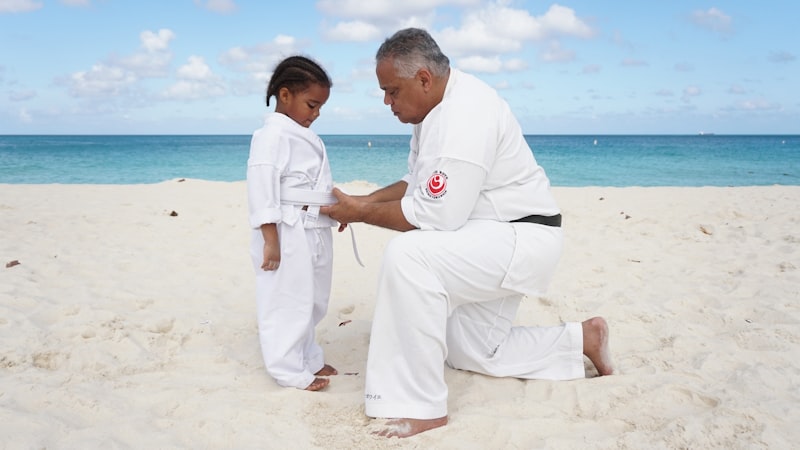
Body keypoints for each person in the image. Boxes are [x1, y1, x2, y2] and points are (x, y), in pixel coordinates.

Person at [320, 28, 613, 437]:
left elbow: (435, 215)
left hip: (520, 236)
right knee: (471, 351)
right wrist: (360, 202)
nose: (387, 102)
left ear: (424, 78)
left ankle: (421, 407)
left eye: (392, 91)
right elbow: (415, 183)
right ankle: (581, 339)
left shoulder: (466, 112)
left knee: (409, 255)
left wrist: (362, 214)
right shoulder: (434, 111)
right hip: (492, 237)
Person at [246, 55, 339, 392]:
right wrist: (270, 238)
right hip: (286, 228)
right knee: (287, 298)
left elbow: (312, 184)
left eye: (319, 108)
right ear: (285, 96)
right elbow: (262, 187)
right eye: (311, 104)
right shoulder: (270, 136)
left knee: (314, 297)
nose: (315, 114)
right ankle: (287, 369)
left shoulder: (298, 134)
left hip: (313, 224)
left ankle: (308, 357)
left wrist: (332, 208)